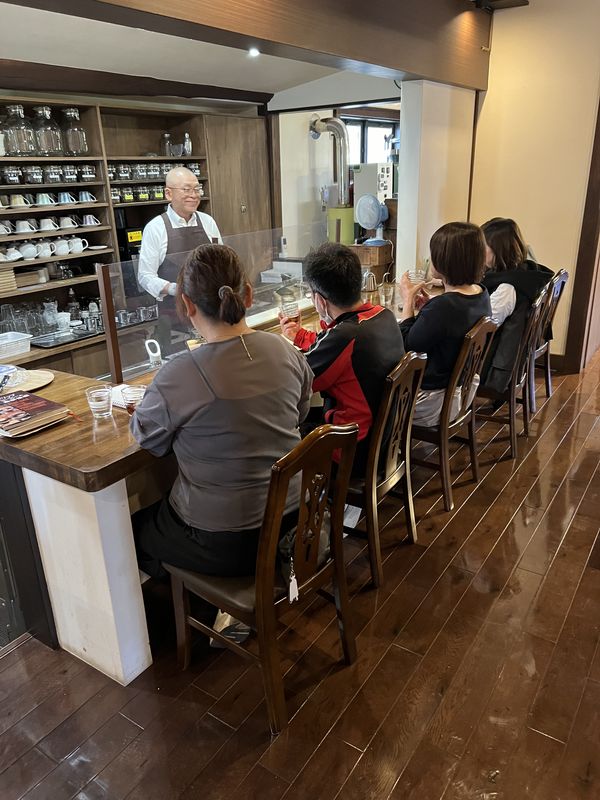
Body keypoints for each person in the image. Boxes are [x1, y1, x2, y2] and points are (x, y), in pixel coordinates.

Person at [131, 243, 313, 581]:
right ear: (248, 295)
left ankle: (210, 604)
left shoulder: (179, 374)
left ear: (185, 304)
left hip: (228, 542)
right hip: (297, 518)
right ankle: (231, 601)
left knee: (134, 530)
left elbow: (146, 438)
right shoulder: (285, 351)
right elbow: (300, 414)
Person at [279, 242, 405, 475]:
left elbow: (299, 381)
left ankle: (314, 507)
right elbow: (331, 343)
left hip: (353, 450)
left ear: (320, 300)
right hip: (386, 440)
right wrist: (300, 335)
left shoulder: (346, 336)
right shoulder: (382, 316)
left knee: (283, 439)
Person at [399, 221, 492, 426]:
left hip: (430, 403)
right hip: (461, 394)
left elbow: (407, 347)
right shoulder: (480, 293)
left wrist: (407, 301)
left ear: (445, 260)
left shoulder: (445, 307)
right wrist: (429, 307)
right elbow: (449, 323)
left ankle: (386, 452)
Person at [480, 217, 553, 393]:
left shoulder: (507, 287)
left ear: (499, 250)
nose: (479, 251)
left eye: (483, 246)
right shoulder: (526, 272)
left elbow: (482, 327)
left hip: (490, 368)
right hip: (512, 357)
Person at [137, 167, 222, 304]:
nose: (194, 195)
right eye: (187, 189)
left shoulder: (208, 221)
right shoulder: (155, 228)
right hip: (174, 311)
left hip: (210, 306)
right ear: (169, 194)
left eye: (197, 189)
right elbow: (145, 276)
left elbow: (220, 261)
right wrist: (175, 289)